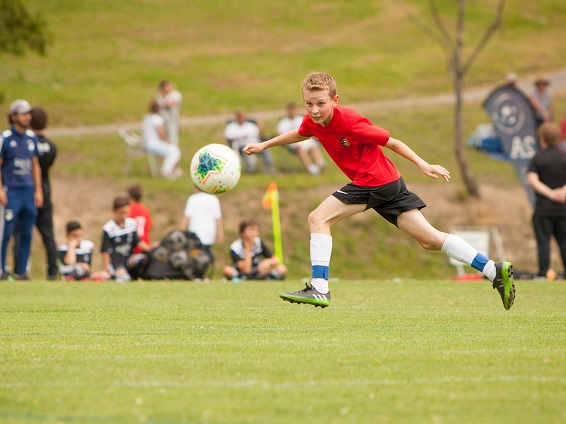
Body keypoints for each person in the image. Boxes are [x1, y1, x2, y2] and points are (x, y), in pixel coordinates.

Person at [243, 71, 515, 309]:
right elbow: (301, 133)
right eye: (309, 103)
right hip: (387, 183)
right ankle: (493, 269)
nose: (314, 110)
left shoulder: (350, 121)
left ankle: (319, 287)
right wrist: (264, 145)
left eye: (321, 104)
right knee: (429, 239)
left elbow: (392, 142)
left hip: (373, 180)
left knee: (318, 218)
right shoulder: (312, 121)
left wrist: (423, 164)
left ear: (335, 100)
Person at [13, 106, 58, 280]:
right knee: (48, 233)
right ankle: (52, 271)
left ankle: (20, 270)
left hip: (27, 190)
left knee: (22, 232)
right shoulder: (52, 146)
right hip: (45, 191)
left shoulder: (27, 143)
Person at [0, 99, 43, 280]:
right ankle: (1, 269)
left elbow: (35, 165)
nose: (27, 117)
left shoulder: (32, 138)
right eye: (23, 114)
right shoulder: (5, 138)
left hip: (28, 191)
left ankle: (22, 271)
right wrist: (1, 189)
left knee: (26, 233)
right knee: (6, 233)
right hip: (11, 191)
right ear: (13, 116)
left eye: (28, 114)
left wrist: (38, 190)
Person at [526, 122, 566, 279]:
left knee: (543, 243)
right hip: (563, 208)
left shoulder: (538, 158)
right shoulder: (564, 156)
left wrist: (550, 194)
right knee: (564, 242)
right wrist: (562, 192)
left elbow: (532, 180)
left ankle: (543, 274)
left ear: (542, 139)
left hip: (544, 209)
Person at [96, 196, 153, 282]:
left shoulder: (131, 223)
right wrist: (105, 271)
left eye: (126, 212)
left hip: (129, 259)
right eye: (121, 213)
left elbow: (138, 242)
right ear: (114, 211)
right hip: (116, 262)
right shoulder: (109, 228)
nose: (123, 216)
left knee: (144, 260)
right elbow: (105, 252)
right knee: (124, 279)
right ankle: (113, 276)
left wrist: (151, 249)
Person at [223, 219, 287, 281]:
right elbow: (246, 270)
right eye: (250, 230)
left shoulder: (258, 242)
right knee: (227, 270)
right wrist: (248, 249)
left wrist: (267, 262)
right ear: (242, 233)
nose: (254, 233)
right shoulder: (235, 247)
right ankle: (240, 280)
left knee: (282, 268)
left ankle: (265, 279)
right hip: (242, 274)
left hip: (258, 273)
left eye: (256, 230)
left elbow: (276, 260)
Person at [277, 102, 325, 175]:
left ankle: (320, 163)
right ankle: (311, 168)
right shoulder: (284, 122)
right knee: (299, 148)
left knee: (313, 146)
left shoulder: (301, 119)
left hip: (305, 139)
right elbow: (280, 134)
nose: (292, 112)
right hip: (292, 142)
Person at [179, 186, 224, 262]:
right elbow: (218, 217)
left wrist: (180, 231)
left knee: (194, 255)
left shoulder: (193, 199)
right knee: (206, 252)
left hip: (195, 232)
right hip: (209, 232)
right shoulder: (213, 199)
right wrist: (220, 232)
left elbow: (186, 216)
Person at [224, 110, 276, 174]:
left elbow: (260, 136)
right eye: (239, 117)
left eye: (243, 116)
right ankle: (251, 169)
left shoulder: (251, 125)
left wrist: (261, 129)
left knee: (265, 149)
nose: (241, 118)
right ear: (236, 118)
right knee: (247, 150)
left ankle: (270, 168)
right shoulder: (231, 127)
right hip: (240, 146)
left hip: (255, 144)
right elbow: (229, 138)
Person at [141, 100, 183, 179]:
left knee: (171, 151)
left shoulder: (146, 117)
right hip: (153, 145)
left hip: (146, 143)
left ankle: (169, 169)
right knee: (175, 151)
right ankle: (166, 171)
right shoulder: (157, 119)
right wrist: (168, 141)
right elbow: (161, 134)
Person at [127, 184, 153, 253]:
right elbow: (149, 226)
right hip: (145, 244)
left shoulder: (128, 210)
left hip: (133, 246)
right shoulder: (145, 209)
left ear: (130, 197)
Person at [156, 80, 182, 146]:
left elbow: (169, 104)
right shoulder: (159, 97)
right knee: (163, 144)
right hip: (162, 124)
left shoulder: (175, 94)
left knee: (172, 143)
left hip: (172, 123)